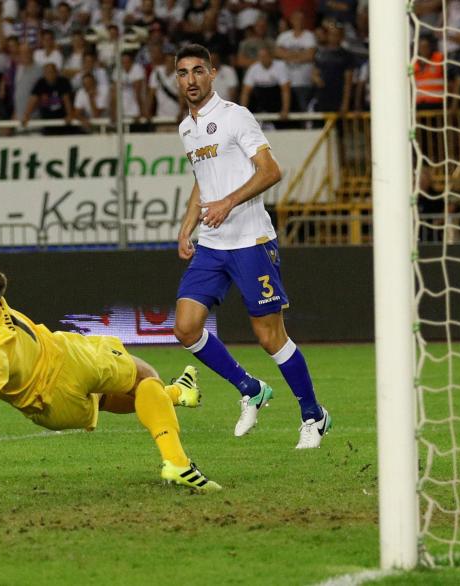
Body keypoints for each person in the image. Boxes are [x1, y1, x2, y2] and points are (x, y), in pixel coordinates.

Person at [0, 264, 220, 492]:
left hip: (60, 354)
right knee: (143, 379)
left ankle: (176, 397)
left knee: (121, 393)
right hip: (56, 389)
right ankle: (176, 458)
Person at [171, 44, 331, 449]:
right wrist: (187, 225)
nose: (190, 79)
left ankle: (314, 415)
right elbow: (203, 180)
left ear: (213, 74)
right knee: (186, 328)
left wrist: (228, 203)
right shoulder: (186, 128)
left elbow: (271, 171)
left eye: (198, 71)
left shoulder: (235, 117)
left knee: (269, 336)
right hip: (212, 244)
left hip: (250, 241)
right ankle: (250, 388)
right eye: (183, 73)